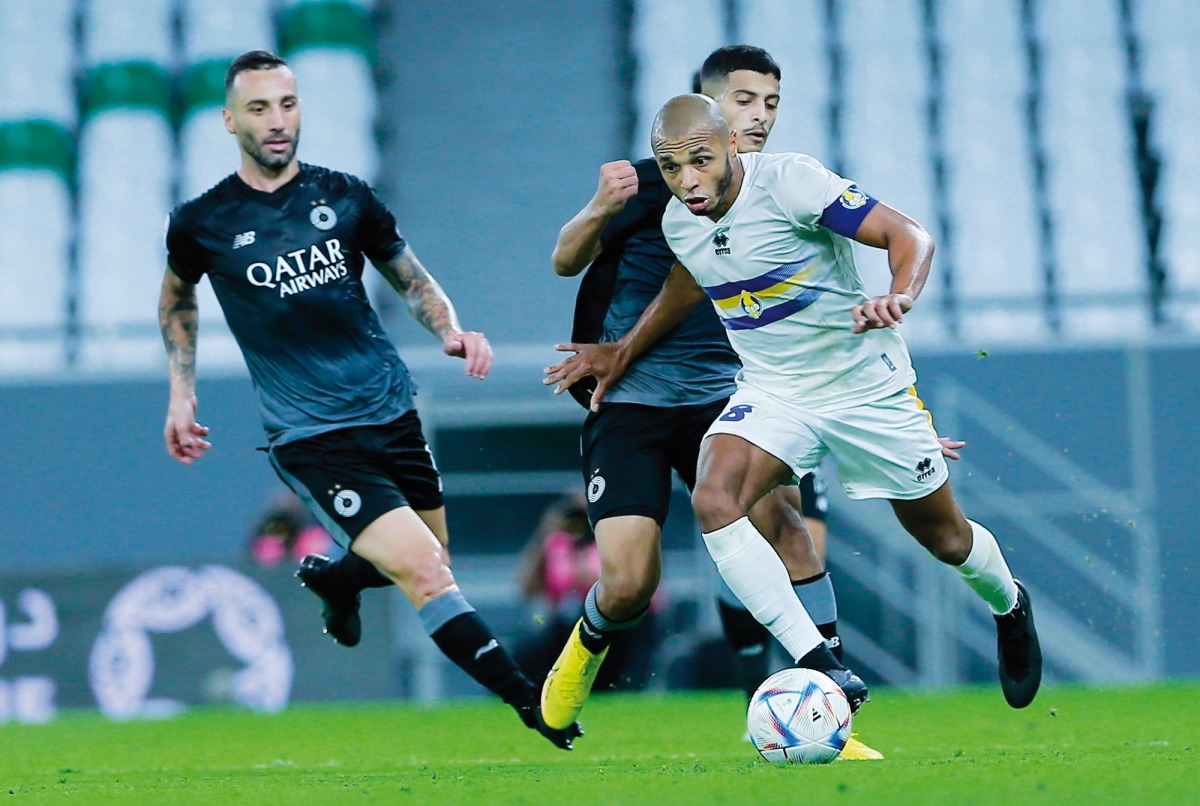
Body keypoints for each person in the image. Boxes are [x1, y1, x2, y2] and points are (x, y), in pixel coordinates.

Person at [553, 91, 1042, 714]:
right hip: (774, 392)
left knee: (945, 539)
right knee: (715, 496)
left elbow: (907, 235)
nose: (687, 180)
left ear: (731, 145)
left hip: (866, 389)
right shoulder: (682, 221)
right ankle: (820, 665)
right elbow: (686, 283)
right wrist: (622, 348)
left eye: (699, 160)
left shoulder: (791, 183)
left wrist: (899, 296)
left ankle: (1009, 603)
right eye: (671, 168)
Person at [158, 50, 581, 750]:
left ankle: (341, 582)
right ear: (230, 119)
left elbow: (411, 277)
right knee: (422, 570)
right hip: (314, 436)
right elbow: (176, 298)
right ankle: (530, 701)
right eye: (260, 108)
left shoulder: (346, 196)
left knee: (432, 553)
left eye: (287, 104)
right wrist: (181, 392)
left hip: (389, 409)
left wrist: (449, 329)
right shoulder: (204, 221)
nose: (277, 121)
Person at [540, 46, 879, 758]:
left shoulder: (785, 188)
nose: (758, 116)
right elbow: (566, 259)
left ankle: (830, 700)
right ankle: (577, 660)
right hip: (630, 402)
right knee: (630, 584)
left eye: (770, 103)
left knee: (791, 532)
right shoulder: (652, 182)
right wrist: (600, 205)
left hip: (732, 396)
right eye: (744, 100)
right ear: (709, 107)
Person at [513, 491, 658, 691]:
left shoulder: (614, 540)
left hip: (621, 622)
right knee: (530, 649)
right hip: (569, 622)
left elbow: (617, 586)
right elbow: (527, 586)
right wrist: (546, 533)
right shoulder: (558, 543)